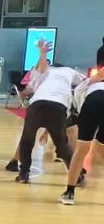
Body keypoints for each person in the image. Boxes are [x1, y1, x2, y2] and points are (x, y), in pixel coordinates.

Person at [12, 40, 80, 185]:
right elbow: (87, 82)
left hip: (37, 105)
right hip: (58, 107)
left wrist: (42, 53)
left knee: (27, 141)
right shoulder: (69, 71)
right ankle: (77, 175)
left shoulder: (43, 71)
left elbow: (30, 86)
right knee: (62, 145)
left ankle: (24, 174)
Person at [62, 67, 102, 205]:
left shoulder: (89, 82)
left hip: (91, 104)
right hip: (92, 102)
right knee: (101, 151)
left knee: (80, 151)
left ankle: (69, 193)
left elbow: (78, 92)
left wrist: (81, 114)